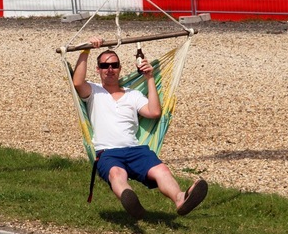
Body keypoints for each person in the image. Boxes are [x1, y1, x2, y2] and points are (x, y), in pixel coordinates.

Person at [72, 37, 208, 219]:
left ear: (120, 68)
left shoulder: (133, 94)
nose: (109, 70)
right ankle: (130, 199)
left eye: (114, 65)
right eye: (104, 66)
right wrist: (85, 50)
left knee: (162, 171)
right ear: (98, 70)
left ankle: (181, 199)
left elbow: (154, 112)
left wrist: (149, 78)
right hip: (108, 152)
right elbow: (77, 83)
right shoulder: (93, 92)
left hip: (135, 149)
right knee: (116, 173)